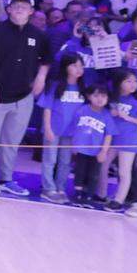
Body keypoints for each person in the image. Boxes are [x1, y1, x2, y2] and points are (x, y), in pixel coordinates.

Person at [0, 0, 51, 196]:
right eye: (16, 5)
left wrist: (41, 77)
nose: (19, 9)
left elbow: (46, 60)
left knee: (12, 141)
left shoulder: (38, 35)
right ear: (8, 8)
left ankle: (6, 179)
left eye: (24, 6)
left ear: (31, 11)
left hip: (23, 97)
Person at [38, 53, 85, 204]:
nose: (78, 69)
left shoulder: (83, 88)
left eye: (80, 66)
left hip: (71, 133)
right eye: (74, 65)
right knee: (50, 159)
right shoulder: (55, 85)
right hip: (54, 129)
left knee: (65, 161)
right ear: (66, 67)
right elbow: (47, 108)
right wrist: (47, 128)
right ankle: (48, 188)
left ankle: (60, 188)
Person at [106, 69, 137, 213]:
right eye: (128, 81)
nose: (133, 84)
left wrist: (128, 118)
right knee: (103, 166)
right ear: (119, 83)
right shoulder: (112, 98)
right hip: (112, 139)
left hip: (129, 140)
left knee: (124, 171)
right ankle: (102, 194)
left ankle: (118, 200)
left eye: (135, 81)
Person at [69, 84, 113, 207]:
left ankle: (88, 196)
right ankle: (78, 194)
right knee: (80, 171)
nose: (100, 99)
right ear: (89, 97)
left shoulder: (106, 115)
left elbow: (109, 135)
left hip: (96, 152)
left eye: (103, 96)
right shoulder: (82, 110)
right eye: (96, 95)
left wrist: (104, 152)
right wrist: (74, 145)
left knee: (93, 174)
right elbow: (74, 128)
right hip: (82, 149)